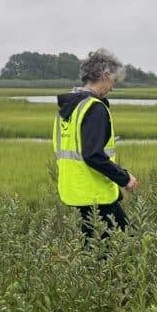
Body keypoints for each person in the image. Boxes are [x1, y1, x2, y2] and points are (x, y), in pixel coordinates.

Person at [53, 48, 138, 239]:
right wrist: (124, 178)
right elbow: (93, 155)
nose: (113, 88)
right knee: (123, 245)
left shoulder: (69, 108)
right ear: (105, 75)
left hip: (74, 192)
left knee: (91, 254)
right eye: (114, 81)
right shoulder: (94, 108)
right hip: (96, 195)